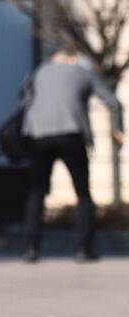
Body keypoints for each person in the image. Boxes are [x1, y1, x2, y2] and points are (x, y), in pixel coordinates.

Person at [22, 47, 124, 263]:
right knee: (83, 193)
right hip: (71, 134)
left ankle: (32, 248)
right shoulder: (82, 72)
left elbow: (25, 99)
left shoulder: (40, 72)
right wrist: (118, 130)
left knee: (37, 193)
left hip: (38, 136)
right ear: (72, 58)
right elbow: (114, 102)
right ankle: (84, 249)